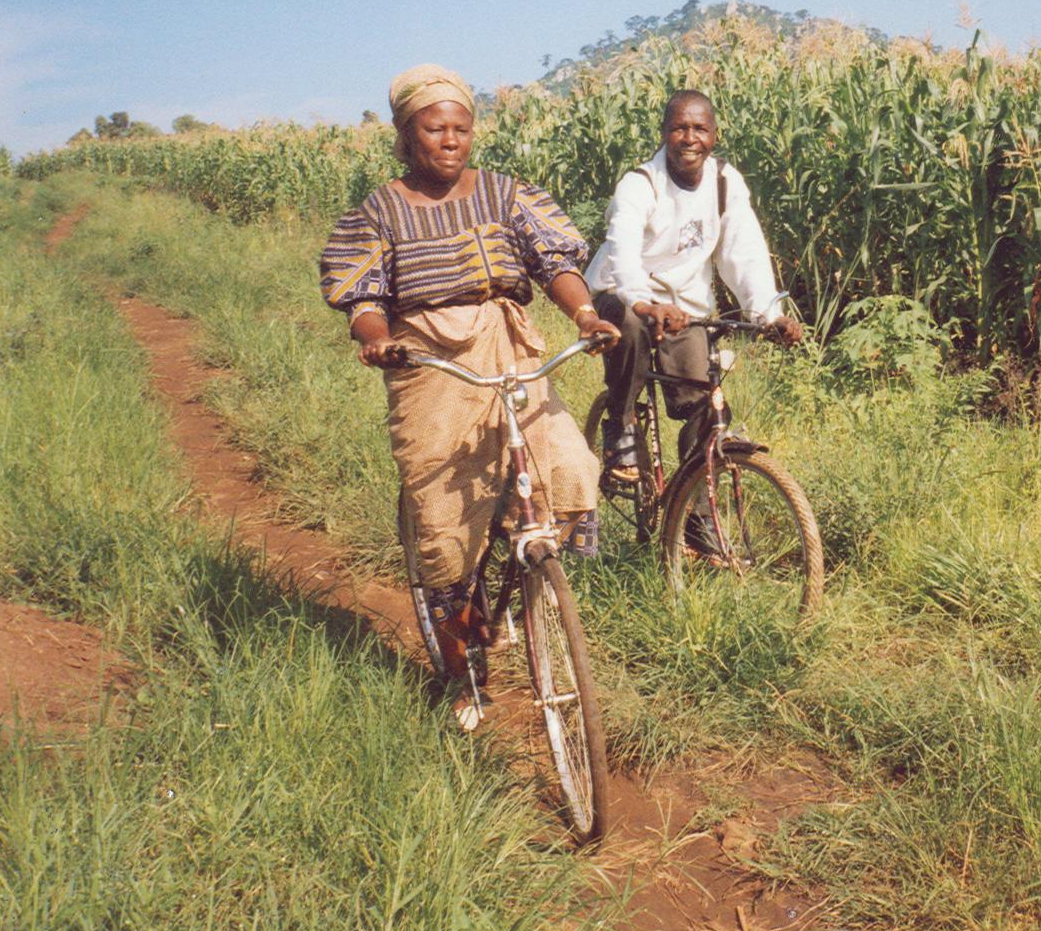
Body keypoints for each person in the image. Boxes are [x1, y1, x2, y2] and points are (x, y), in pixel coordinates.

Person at [319, 64, 618, 664]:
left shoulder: (505, 194)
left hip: (505, 342)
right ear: (407, 136)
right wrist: (378, 339)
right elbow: (364, 299)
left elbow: (553, 263)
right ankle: (460, 648)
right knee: (442, 511)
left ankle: (526, 569)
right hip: (427, 358)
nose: (449, 140)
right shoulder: (380, 211)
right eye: (434, 130)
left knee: (570, 465)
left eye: (460, 128)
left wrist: (585, 315)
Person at [584, 89, 803, 529]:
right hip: (623, 293)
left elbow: (745, 256)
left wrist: (769, 314)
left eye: (699, 128)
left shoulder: (725, 182)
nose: (689, 138)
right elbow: (624, 255)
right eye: (679, 127)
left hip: (686, 307)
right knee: (627, 323)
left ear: (714, 135)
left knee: (706, 407)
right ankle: (621, 426)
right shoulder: (640, 184)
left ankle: (695, 520)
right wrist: (646, 303)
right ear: (664, 133)